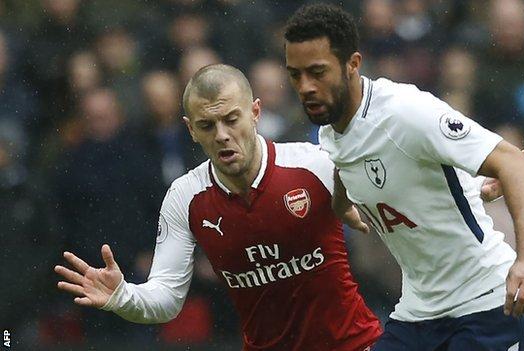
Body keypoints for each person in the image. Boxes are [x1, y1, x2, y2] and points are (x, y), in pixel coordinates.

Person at [55, 64, 382, 351]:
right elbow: (167, 299)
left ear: (255, 112)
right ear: (191, 129)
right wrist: (122, 296)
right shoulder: (185, 197)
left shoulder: (316, 166)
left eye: (231, 119)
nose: (223, 135)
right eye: (208, 125)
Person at [284, 4, 524, 351]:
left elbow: (516, 165)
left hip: (488, 305)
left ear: (353, 64)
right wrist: (342, 204)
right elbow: (354, 163)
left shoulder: (404, 111)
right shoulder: (330, 134)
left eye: (317, 72)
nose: (306, 87)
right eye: (296, 75)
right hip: (420, 314)